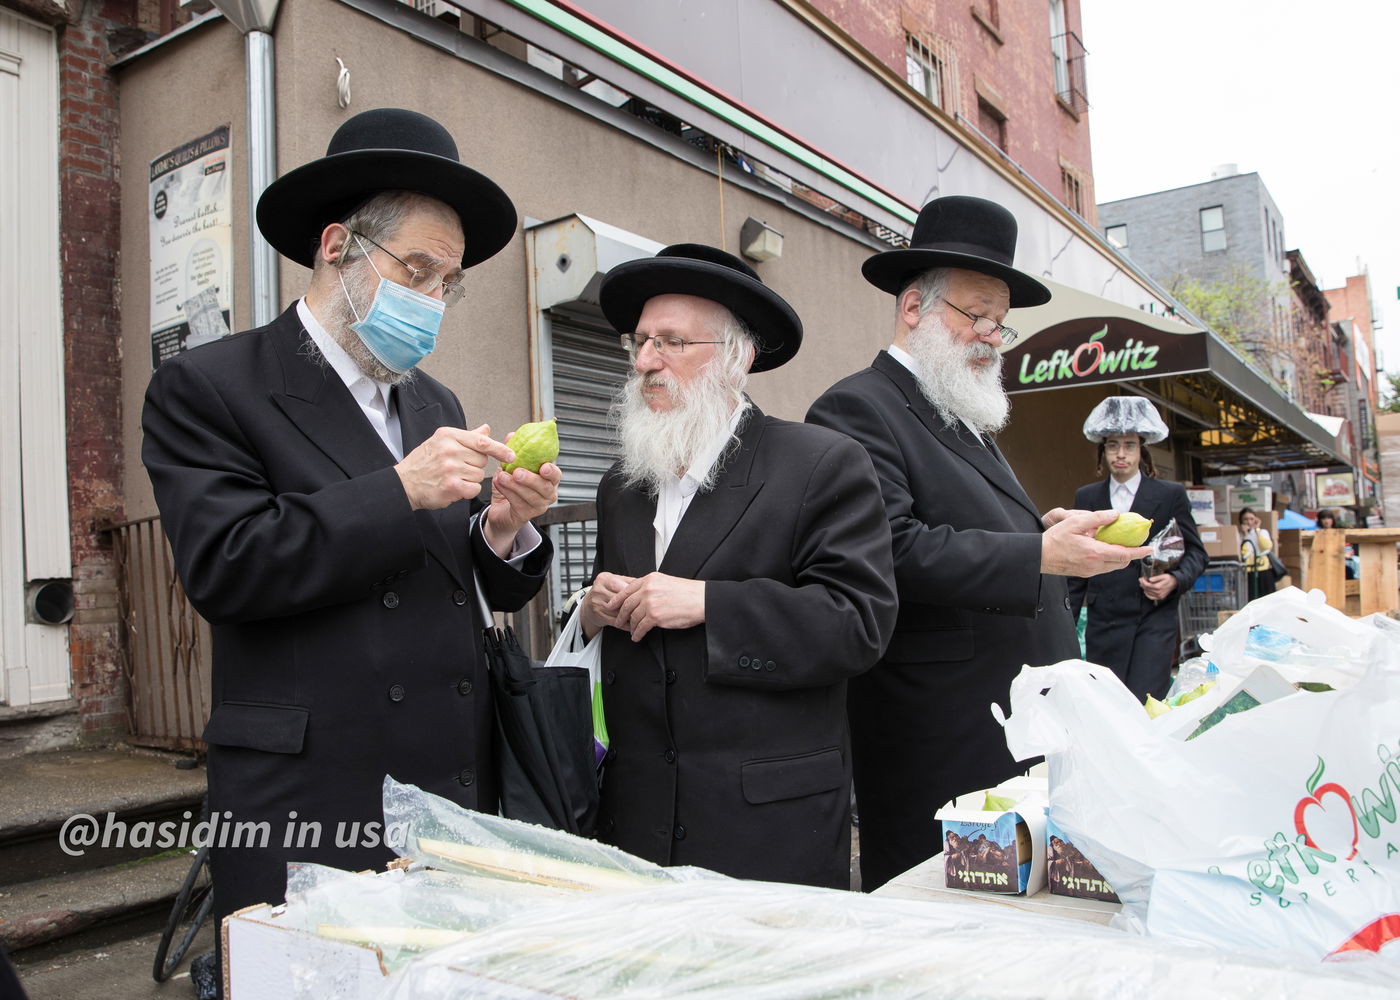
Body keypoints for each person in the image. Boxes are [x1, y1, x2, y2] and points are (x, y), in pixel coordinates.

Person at [142, 109, 559, 934]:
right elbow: (226, 566)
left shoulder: (433, 400)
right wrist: (398, 490)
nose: (434, 301)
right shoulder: (211, 386)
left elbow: (457, 580)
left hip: (444, 784)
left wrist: (506, 527)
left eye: (449, 283)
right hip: (312, 793)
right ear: (338, 247)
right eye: (417, 271)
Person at [806, 195, 1150, 891]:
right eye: (975, 313)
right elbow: (890, 548)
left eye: (1000, 320)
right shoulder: (857, 407)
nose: (992, 334)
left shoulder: (965, 417)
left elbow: (967, 531)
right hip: (937, 739)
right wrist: (1037, 555)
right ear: (913, 308)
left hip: (1008, 729)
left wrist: (1042, 534)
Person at [580, 244, 898, 889]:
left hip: (769, 825)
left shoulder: (820, 463)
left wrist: (707, 604)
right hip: (636, 822)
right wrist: (593, 612)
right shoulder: (622, 483)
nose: (645, 362)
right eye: (639, 342)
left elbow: (857, 624)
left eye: (671, 342)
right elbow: (617, 639)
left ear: (737, 358)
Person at [1066, 397, 1207, 701]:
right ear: (1102, 450)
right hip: (1105, 620)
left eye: (1129, 445)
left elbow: (1197, 554)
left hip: (1154, 618)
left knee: (1146, 700)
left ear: (1142, 450)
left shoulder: (1170, 494)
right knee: (1108, 703)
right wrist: (1065, 626)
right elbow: (1075, 570)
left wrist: (1174, 580)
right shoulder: (1087, 497)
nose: (1120, 454)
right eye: (1112, 445)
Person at [1238, 507, 1278, 597]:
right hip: (1248, 571)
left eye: (1251, 519)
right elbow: (1244, 553)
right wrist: (1245, 535)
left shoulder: (1262, 532)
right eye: (1245, 519)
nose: (1249, 522)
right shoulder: (1240, 536)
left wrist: (1257, 530)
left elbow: (1266, 547)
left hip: (1263, 569)